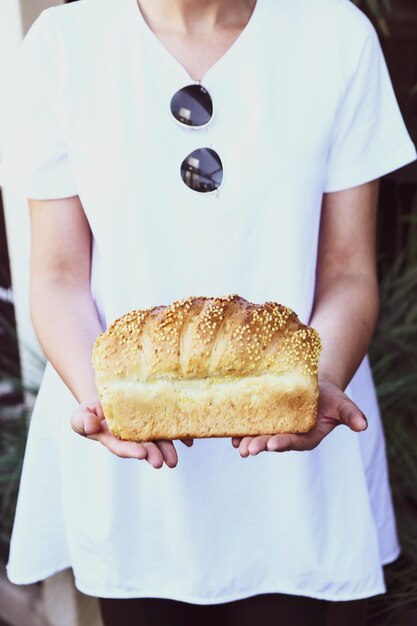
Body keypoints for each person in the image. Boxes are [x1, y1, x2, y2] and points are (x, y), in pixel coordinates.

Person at [0, 0, 416, 624]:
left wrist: (314, 382)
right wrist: (103, 400)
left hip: (297, 484)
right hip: (136, 482)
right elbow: (58, 275)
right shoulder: (64, 45)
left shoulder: (334, 35)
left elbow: (348, 271)